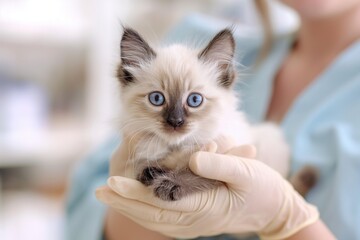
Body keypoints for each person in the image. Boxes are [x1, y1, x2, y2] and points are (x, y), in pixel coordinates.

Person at [66, 0, 360, 239]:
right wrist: (138, 212)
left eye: (193, 101)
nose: (176, 119)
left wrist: (285, 218)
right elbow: (85, 214)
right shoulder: (189, 39)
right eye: (158, 100)